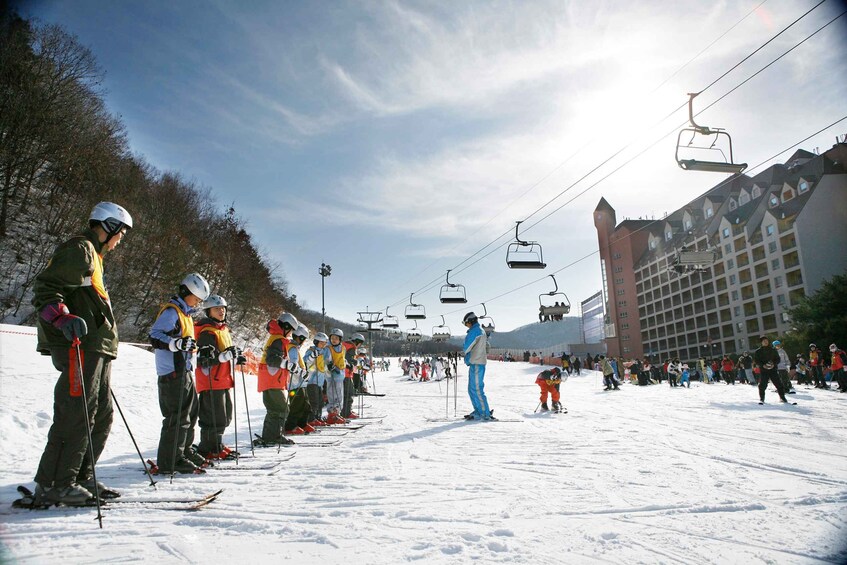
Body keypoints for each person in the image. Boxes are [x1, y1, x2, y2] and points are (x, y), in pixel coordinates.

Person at [31, 202, 133, 505]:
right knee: (77, 414)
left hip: (96, 349)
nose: (119, 241)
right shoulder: (81, 249)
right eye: (120, 234)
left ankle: (79, 477)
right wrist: (61, 318)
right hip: (80, 347)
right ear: (109, 227)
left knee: (100, 415)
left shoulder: (95, 257)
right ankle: (55, 484)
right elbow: (46, 288)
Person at [150, 272, 211, 474]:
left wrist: (197, 349)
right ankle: (170, 460)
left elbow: (184, 342)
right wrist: (175, 343)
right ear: (186, 292)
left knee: (190, 414)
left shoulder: (185, 315)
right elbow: (155, 336)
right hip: (172, 373)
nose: (197, 303)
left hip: (185, 371)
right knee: (177, 418)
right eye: (196, 299)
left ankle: (183, 451)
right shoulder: (172, 312)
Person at [195, 294, 243, 460]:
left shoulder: (222, 330)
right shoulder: (207, 332)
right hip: (211, 380)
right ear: (209, 311)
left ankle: (217, 444)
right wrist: (223, 356)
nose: (221, 311)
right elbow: (203, 360)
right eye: (217, 309)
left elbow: (225, 351)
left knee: (224, 415)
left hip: (222, 379)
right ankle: (209, 447)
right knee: (213, 416)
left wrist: (236, 356)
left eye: (223, 308)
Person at [254, 312, 300, 445]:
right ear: (285, 327)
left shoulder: (277, 338)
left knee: (275, 408)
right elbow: (272, 359)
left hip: (273, 379)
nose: (290, 333)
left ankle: (270, 435)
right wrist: (287, 364)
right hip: (272, 379)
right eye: (290, 330)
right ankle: (273, 437)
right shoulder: (278, 339)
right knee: (280, 408)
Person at [462, 312, 493, 420]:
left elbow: (466, 347)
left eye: (466, 324)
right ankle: (479, 410)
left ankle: (484, 412)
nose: (467, 326)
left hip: (477, 363)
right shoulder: (479, 331)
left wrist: (465, 352)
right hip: (475, 362)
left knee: (476, 389)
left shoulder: (476, 331)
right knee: (472, 389)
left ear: (471, 321)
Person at [283, 324, 313, 435]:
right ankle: (290, 426)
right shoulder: (292, 349)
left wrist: (304, 373)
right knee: (297, 405)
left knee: (305, 405)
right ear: (300, 338)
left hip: (301, 383)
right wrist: (302, 373)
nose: (304, 341)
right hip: (294, 384)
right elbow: (293, 366)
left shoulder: (295, 348)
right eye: (304, 339)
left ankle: (302, 423)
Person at [303, 332, 330, 426]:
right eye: (321, 343)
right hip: (311, 380)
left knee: (320, 402)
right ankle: (311, 419)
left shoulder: (323, 352)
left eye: (325, 343)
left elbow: (323, 365)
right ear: (316, 342)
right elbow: (305, 361)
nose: (323, 345)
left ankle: (318, 417)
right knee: (313, 401)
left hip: (320, 381)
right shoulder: (311, 350)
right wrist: (312, 356)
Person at [753, 336, 789, 404]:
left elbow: (778, 359)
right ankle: (762, 398)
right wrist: (763, 365)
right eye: (764, 341)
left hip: (773, 370)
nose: (766, 342)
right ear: (761, 343)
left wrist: (773, 364)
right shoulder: (758, 351)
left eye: (766, 340)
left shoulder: (773, 350)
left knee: (778, 384)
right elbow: (756, 361)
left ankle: (782, 397)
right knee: (762, 385)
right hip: (764, 371)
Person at [325, 328, 348, 424]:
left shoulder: (343, 348)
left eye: (336, 338)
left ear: (340, 339)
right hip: (332, 374)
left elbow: (342, 358)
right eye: (332, 338)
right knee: (332, 393)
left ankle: (337, 413)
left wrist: (347, 364)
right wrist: (331, 366)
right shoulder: (328, 348)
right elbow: (326, 359)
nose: (334, 340)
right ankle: (332, 413)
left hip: (340, 374)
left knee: (339, 394)